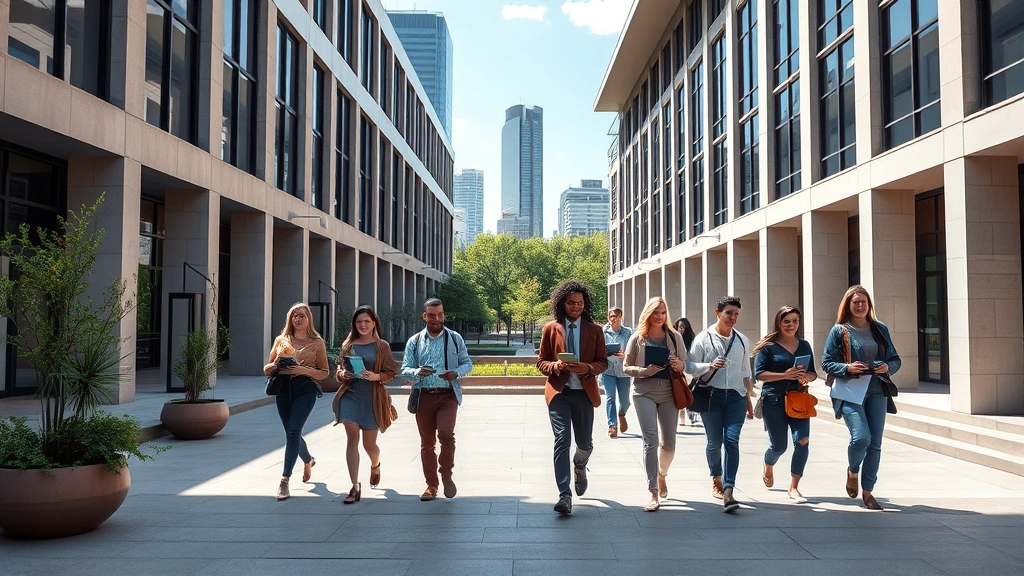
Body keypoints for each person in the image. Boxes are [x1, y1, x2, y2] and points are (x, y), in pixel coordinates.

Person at [821, 285, 901, 511]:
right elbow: (826, 363)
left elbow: (895, 359)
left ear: (869, 305)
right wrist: (848, 367)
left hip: (877, 391)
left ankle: (868, 492)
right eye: (855, 302)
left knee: (875, 443)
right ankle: (852, 470)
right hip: (850, 392)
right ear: (848, 305)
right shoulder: (839, 330)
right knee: (861, 438)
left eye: (863, 302)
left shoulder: (880, 329)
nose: (859, 306)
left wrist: (888, 366)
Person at [537, 280, 609, 515]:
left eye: (579, 303)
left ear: (584, 304)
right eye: (571, 303)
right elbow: (541, 362)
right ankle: (564, 495)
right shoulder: (551, 328)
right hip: (559, 393)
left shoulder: (595, 330)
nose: (575, 306)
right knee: (561, 440)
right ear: (563, 304)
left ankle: (580, 464)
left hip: (584, 394)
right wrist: (556, 366)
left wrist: (587, 368)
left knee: (584, 444)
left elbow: (603, 362)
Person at [400, 298, 473, 501]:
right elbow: (405, 369)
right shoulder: (414, 341)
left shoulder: (454, 338)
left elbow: (467, 363)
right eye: (432, 315)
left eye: (440, 314)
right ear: (424, 316)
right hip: (423, 395)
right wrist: (416, 372)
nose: (437, 319)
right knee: (427, 443)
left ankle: (446, 474)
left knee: (447, 434)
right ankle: (431, 485)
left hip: (447, 395)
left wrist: (455, 373)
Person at [687, 296, 753, 513]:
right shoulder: (703, 338)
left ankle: (729, 488)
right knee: (714, 443)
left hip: (736, 397)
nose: (733, 318)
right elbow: (689, 366)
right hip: (711, 396)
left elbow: (745, 374)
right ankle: (716, 476)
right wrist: (709, 365)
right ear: (717, 313)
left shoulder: (742, 340)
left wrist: (749, 400)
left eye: (736, 314)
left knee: (731, 440)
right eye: (728, 313)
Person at [622, 297, 688, 512]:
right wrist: (644, 371)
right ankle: (653, 492)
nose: (659, 316)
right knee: (651, 441)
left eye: (662, 312)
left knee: (669, 445)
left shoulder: (675, 337)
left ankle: (662, 474)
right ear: (647, 314)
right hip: (643, 393)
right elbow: (626, 367)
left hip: (669, 393)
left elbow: (684, 364)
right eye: (655, 312)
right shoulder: (637, 338)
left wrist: (678, 364)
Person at [331, 305, 400, 504]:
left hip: (372, 398)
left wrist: (376, 376)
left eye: (366, 322)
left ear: (374, 324)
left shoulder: (382, 346)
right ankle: (354, 486)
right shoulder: (348, 344)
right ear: (355, 324)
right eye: (359, 321)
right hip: (350, 396)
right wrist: (341, 374)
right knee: (352, 438)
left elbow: (391, 373)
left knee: (369, 445)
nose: (362, 325)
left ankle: (375, 464)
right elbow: (340, 369)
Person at [751, 306, 817, 504]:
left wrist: (806, 377)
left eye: (795, 321)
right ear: (779, 323)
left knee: (802, 440)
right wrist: (784, 375)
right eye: (786, 321)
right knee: (779, 446)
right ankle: (768, 463)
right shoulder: (768, 347)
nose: (791, 325)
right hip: (774, 400)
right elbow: (759, 374)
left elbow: (813, 372)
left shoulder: (804, 345)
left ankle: (794, 487)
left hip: (799, 398)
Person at [264, 303, 329, 501]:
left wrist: (304, 370)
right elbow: (266, 369)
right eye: (294, 316)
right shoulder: (281, 340)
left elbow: (325, 372)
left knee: (293, 432)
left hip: (305, 389)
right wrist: (276, 364)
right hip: (283, 388)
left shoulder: (317, 342)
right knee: (292, 433)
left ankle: (284, 480)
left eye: (301, 316)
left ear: (308, 318)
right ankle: (308, 460)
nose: (298, 319)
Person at [601, 307, 634, 438]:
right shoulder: (603, 332)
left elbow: (633, 351)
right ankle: (612, 426)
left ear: (621, 317)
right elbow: (598, 349)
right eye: (610, 316)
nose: (612, 319)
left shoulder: (628, 332)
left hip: (623, 371)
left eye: (615, 316)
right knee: (610, 398)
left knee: (625, 400)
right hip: (608, 370)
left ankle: (622, 413)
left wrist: (624, 355)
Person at [675, 317, 699, 427]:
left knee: (688, 392)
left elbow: (694, 356)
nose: (681, 329)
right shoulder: (673, 338)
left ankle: (690, 413)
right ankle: (681, 414)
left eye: (683, 327)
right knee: (679, 393)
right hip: (677, 370)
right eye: (680, 327)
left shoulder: (692, 340)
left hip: (688, 370)